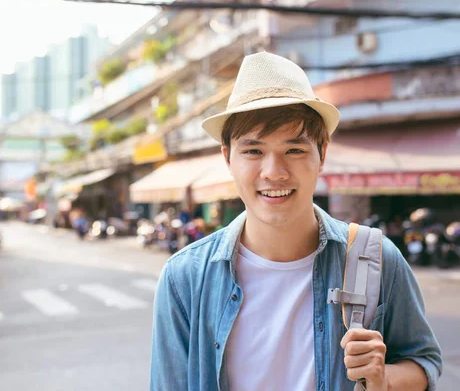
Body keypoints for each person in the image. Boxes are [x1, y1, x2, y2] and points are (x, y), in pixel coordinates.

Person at [150, 52, 442, 391]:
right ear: (227, 157)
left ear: (322, 154)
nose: (274, 172)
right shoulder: (185, 277)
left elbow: (424, 362)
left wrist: (383, 378)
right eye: (253, 151)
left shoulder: (375, 257)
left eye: (295, 150)